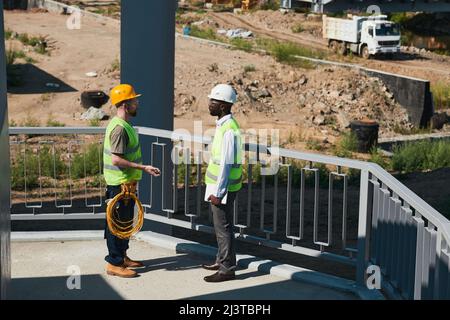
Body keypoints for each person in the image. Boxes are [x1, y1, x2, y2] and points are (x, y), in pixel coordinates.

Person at [103, 84, 161, 278]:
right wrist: (143, 168)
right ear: (125, 105)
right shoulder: (119, 129)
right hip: (119, 184)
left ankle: (122, 256)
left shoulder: (124, 125)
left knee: (126, 222)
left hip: (126, 183)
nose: (138, 103)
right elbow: (116, 159)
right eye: (134, 100)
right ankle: (114, 263)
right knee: (116, 225)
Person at [203, 84, 243, 283]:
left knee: (223, 228)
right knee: (221, 227)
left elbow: (226, 164)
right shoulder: (224, 125)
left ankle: (227, 268)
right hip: (220, 186)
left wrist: (218, 192)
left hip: (223, 189)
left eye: (213, 101)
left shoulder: (228, 129)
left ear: (223, 106)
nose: (209, 103)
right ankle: (221, 260)